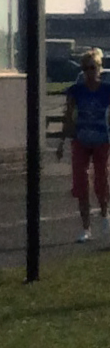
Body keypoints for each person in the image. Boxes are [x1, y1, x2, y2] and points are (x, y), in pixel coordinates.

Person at [67, 48, 110, 245]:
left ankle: (105, 214)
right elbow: (69, 118)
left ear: (99, 68)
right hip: (81, 139)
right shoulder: (76, 91)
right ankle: (86, 228)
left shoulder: (107, 90)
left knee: (102, 180)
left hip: (102, 139)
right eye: (85, 68)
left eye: (92, 68)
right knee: (81, 182)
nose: (89, 72)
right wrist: (62, 140)